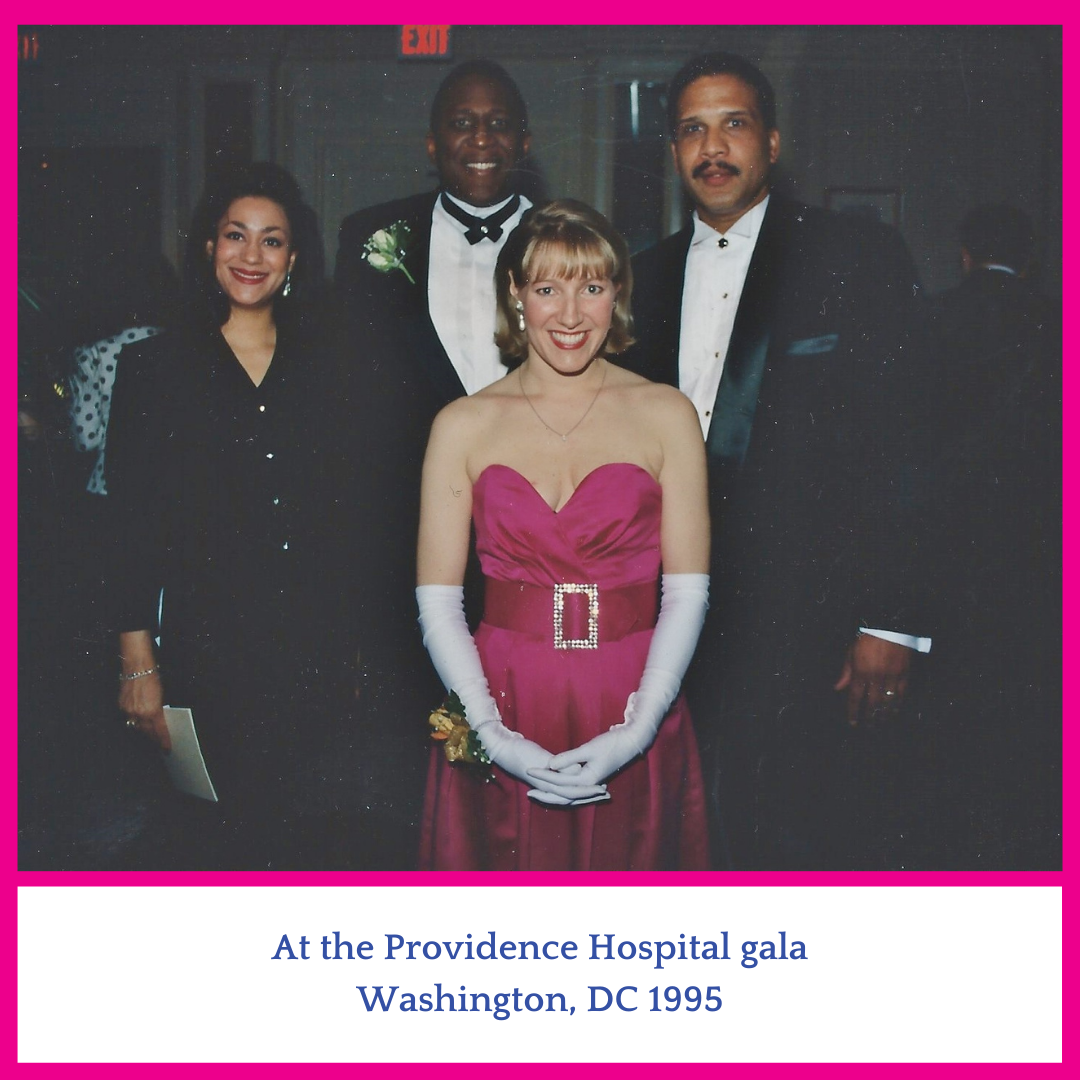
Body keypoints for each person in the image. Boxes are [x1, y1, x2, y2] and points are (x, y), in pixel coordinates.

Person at [627, 53, 931, 869]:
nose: (712, 147)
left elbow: (905, 442)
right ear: (672, 149)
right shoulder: (641, 279)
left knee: (800, 845)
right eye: (692, 128)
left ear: (771, 140)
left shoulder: (855, 258)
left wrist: (890, 619)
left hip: (814, 621)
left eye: (733, 124)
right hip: (667, 622)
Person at [415, 200, 711, 870]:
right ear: (516, 295)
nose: (571, 315)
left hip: (635, 690)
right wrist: (490, 731)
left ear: (618, 296)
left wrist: (638, 730)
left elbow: (688, 593)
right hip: (500, 694)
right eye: (547, 288)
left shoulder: (667, 414)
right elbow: (437, 603)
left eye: (592, 288)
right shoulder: (462, 424)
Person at [106, 162, 360, 869]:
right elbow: (127, 526)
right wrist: (136, 662)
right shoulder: (153, 368)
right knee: (214, 839)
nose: (252, 256)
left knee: (306, 840)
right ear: (208, 249)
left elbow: (349, 513)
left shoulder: (330, 363)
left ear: (295, 258)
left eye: (271, 240)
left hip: (314, 648)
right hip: (206, 647)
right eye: (235, 236)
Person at [334, 59, 535, 851]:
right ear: (431, 142)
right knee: (413, 735)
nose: (479, 138)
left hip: (538, 527)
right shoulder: (369, 237)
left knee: (528, 719)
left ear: (524, 139)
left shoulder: (572, 232)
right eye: (461, 121)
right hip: (407, 526)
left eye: (496, 123)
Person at [922, 204, 1060, 867]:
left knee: (952, 704)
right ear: (1029, 258)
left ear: (964, 253)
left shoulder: (931, 319)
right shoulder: (1057, 322)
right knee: (1028, 701)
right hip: (1040, 542)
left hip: (950, 538)